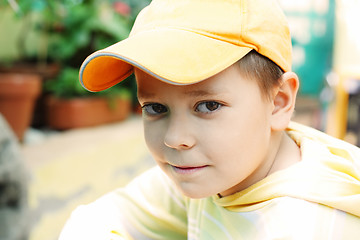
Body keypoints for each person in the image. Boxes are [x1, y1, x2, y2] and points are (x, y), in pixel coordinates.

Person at [59, 0, 360, 239]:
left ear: (279, 102)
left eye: (208, 105)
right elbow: (100, 218)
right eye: (155, 108)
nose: (175, 138)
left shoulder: (303, 227)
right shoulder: (223, 172)